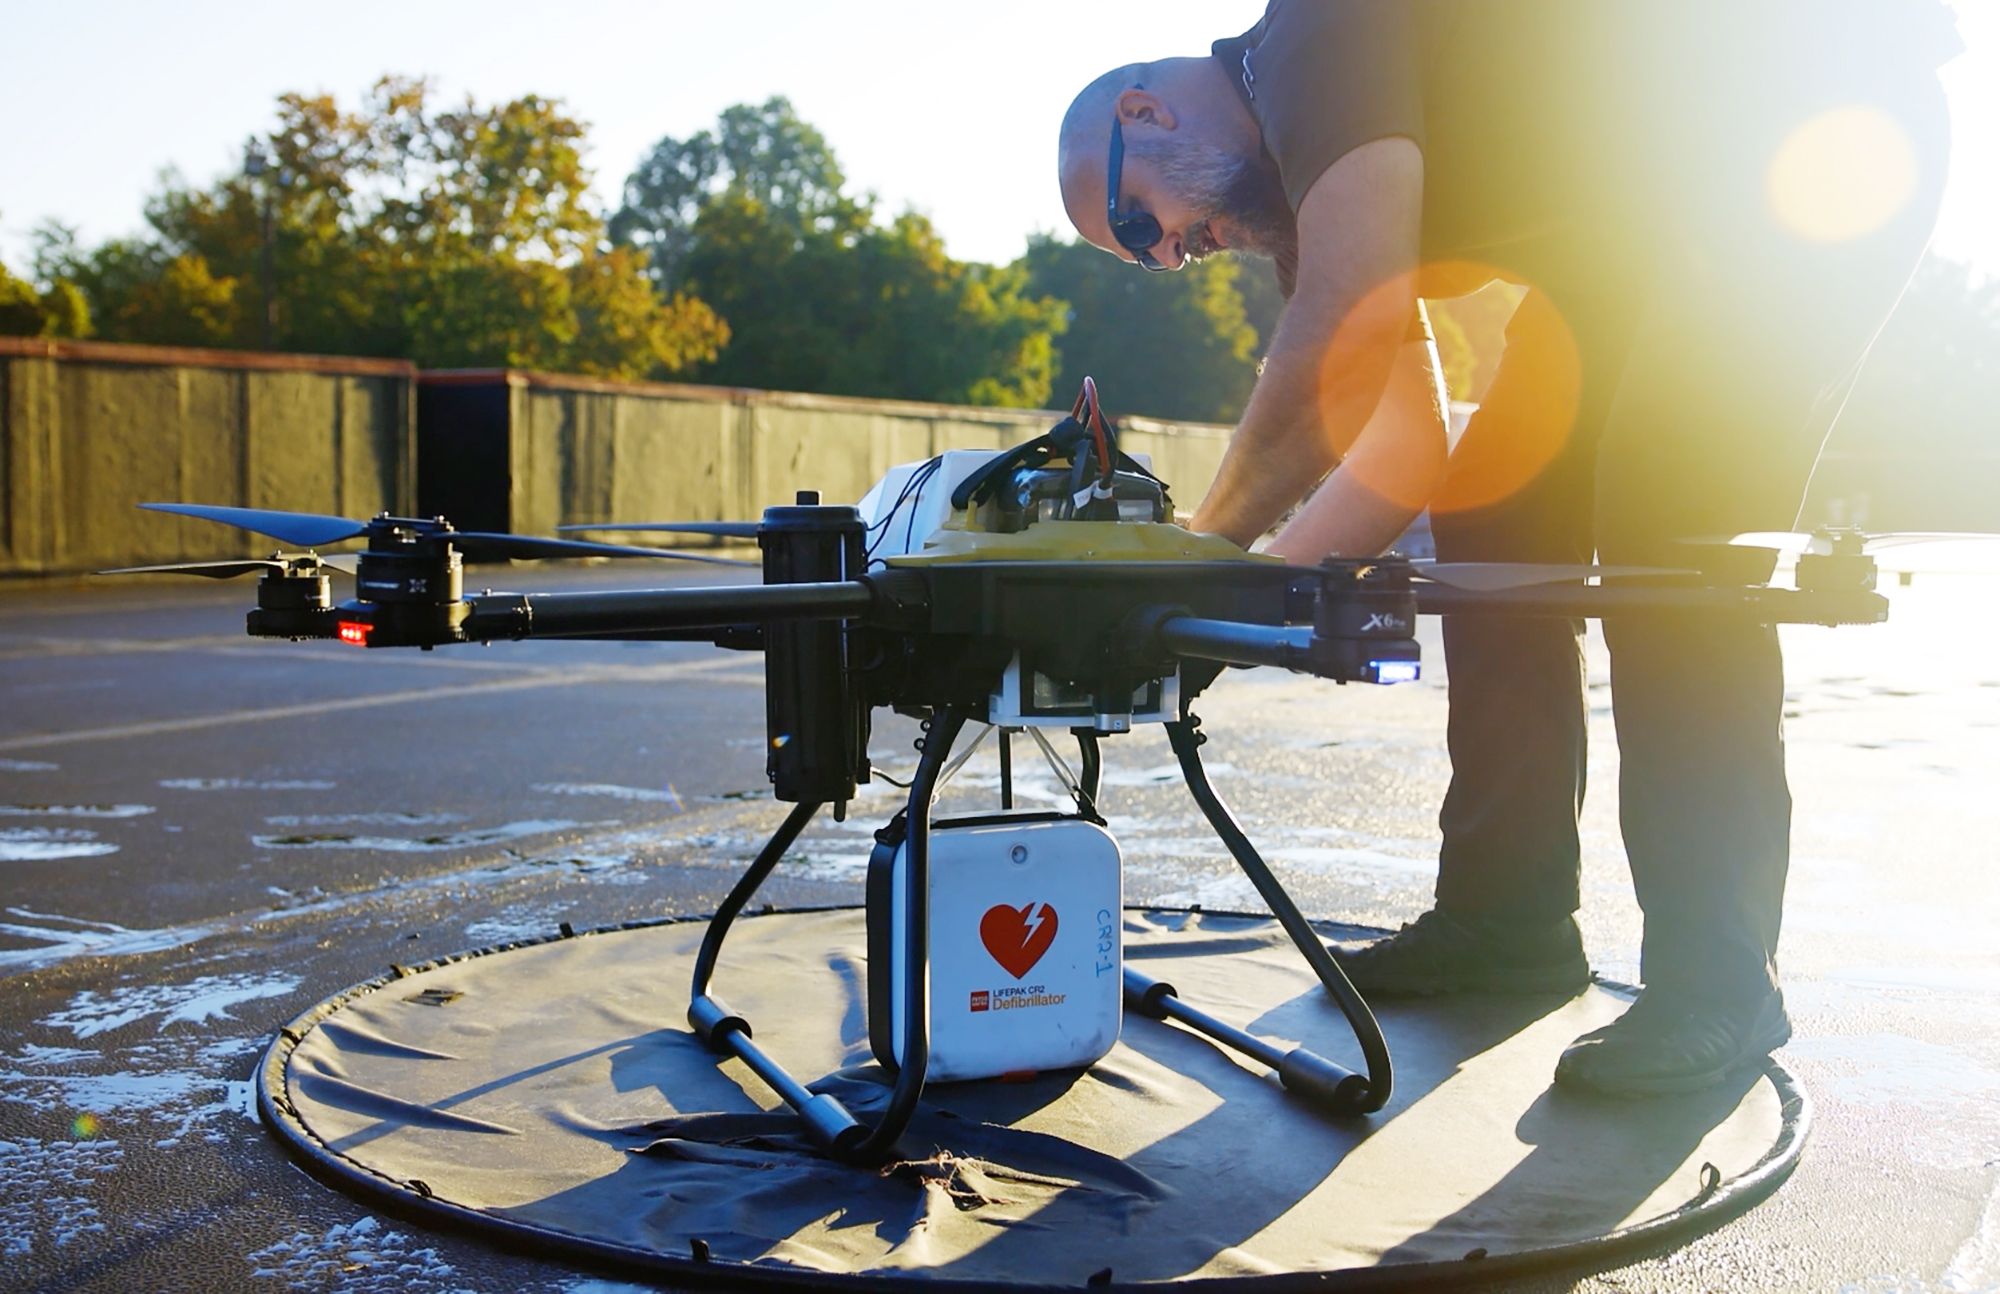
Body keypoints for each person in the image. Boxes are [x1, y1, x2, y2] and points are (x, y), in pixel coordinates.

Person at [1057, 0, 1958, 1095]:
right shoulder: (1312, 199)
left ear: (1142, 112)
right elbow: (1404, 443)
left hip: (1810, 129)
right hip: (1640, 240)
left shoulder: (1307, 37)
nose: (1173, 256)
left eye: (1142, 224)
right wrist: (1219, 613)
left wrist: (1195, 557)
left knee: (1666, 520)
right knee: (1496, 514)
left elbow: (1347, 326)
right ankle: (1507, 918)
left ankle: (1719, 981)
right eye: (1144, 259)